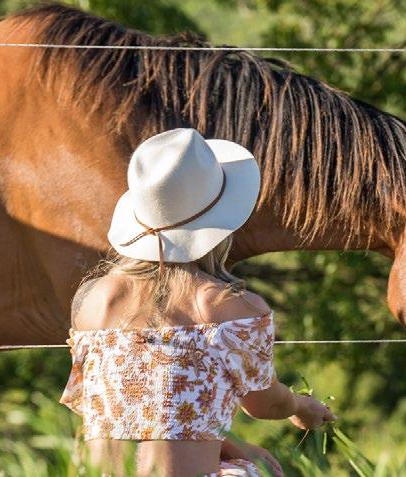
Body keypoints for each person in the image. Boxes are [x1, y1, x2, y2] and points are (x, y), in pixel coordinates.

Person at [59, 128, 336, 476]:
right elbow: (265, 404)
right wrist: (300, 406)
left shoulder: (95, 300)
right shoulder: (229, 308)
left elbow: (133, 412)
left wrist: (229, 445)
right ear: (220, 226)